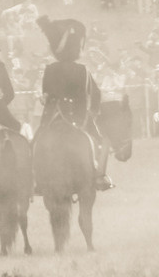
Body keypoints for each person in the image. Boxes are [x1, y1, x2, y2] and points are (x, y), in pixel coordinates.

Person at [36, 17, 112, 189]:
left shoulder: (50, 69)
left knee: (35, 143)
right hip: (78, 116)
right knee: (100, 141)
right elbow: (96, 94)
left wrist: (45, 99)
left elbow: (46, 94)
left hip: (52, 117)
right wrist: (93, 113)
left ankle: (36, 179)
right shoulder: (83, 70)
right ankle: (100, 176)